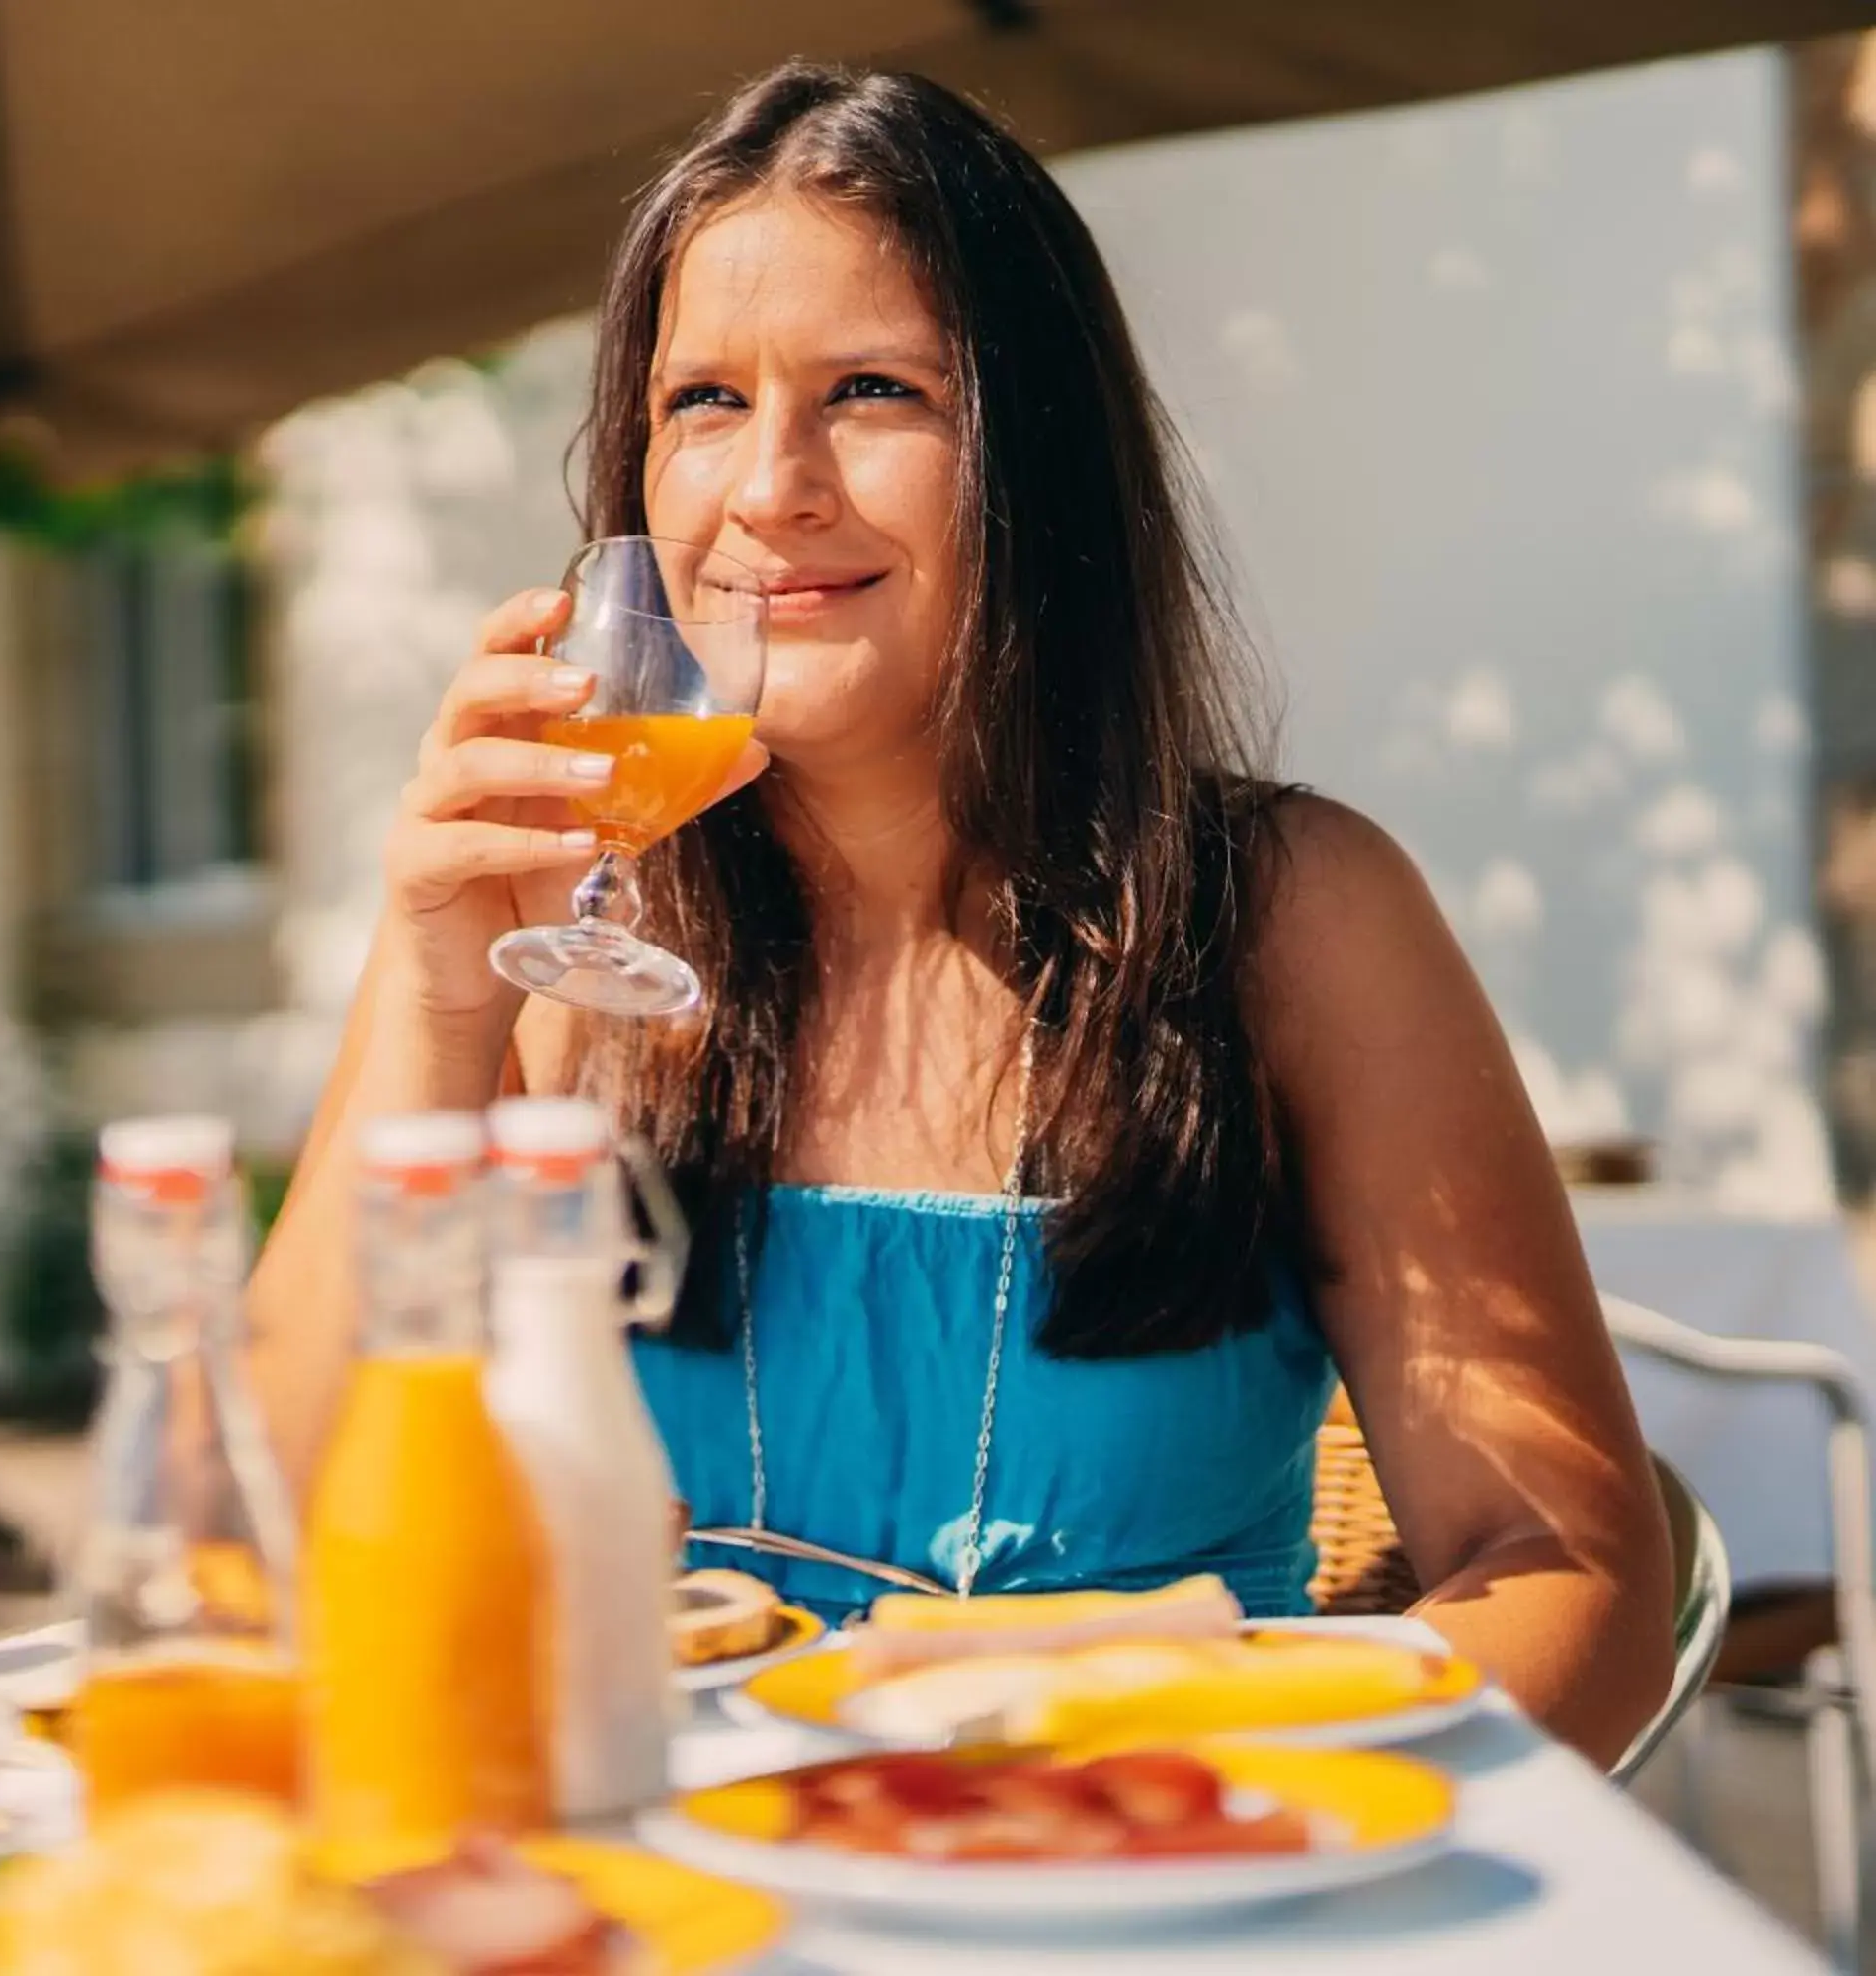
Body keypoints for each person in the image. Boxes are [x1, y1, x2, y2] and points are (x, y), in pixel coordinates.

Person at [247, 62, 1673, 1764]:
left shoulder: (1292, 921)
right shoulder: (573, 958)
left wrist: (1207, 1757)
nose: (771, 485)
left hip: (1154, 1883)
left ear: (1035, 454)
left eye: (870, 389)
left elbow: (1572, 1584)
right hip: (694, 1903)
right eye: (702, 401)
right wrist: (435, 991)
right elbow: (255, 1554)